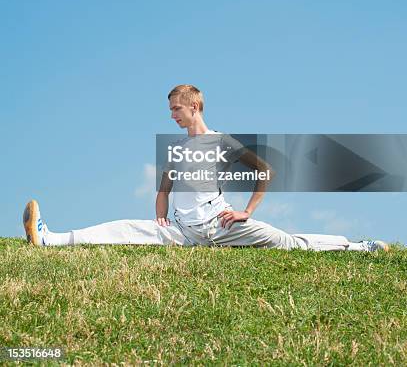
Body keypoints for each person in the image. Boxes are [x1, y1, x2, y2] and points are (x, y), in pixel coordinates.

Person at [23, 84, 389, 252]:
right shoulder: (178, 149)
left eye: (175, 109)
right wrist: (161, 216)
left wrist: (246, 211)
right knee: (122, 229)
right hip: (182, 231)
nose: (171, 115)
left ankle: (357, 247)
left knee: (286, 242)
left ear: (194, 107)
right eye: (170, 110)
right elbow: (164, 189)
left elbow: (266, 171)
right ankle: (50, 238)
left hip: (220, 226)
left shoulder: (221, 141)